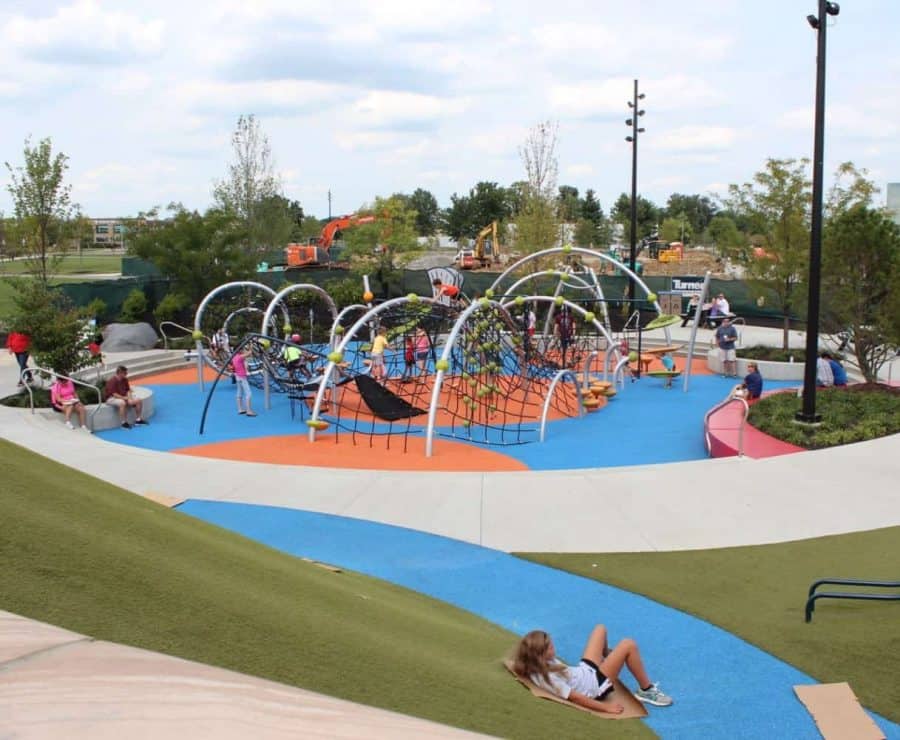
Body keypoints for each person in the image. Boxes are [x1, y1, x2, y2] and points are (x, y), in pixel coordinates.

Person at [511, 625, 673, 714]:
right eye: (551, 647)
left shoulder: (533, 660)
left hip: (585, 670)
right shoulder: (548, 678)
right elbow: (575, 698)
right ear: (540, 654)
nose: (554, 647)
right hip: (595, 685)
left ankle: (612, 657)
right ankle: (646, 690)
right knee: (628, 644)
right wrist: (606, 708)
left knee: (600, 629)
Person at [231, 346, 256, 416]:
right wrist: (251, 346)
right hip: (242, 377)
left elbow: (247, 357)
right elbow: (250, 353)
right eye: (242, 349)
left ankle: (240, 409)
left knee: (239, 392)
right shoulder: (239, 357)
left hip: (237, 376)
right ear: (240, 350)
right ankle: (249, 411)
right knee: (248, 393)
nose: (243, 350)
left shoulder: (234, 357)